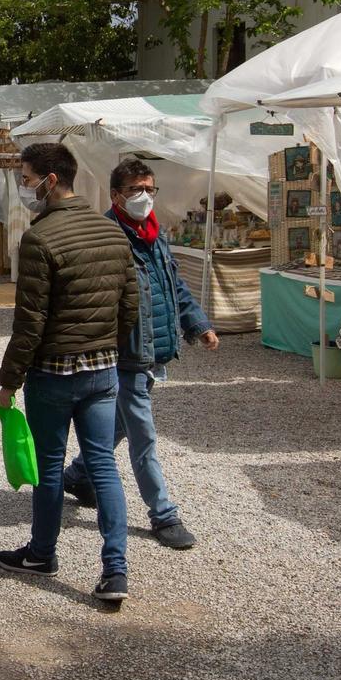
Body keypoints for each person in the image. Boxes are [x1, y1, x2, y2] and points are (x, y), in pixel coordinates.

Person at [0, 142, 145, 605]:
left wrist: (9, 378)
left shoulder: (41, 239)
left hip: (54, 373)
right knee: (103, 465)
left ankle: (42, 552)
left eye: (26, 178)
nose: (24, 187)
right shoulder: (113, 232)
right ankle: (115, 568)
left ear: (50, 181)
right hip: (102, 370)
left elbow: (30, 321)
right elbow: (130, 304)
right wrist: (106, 345)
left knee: (50, 468)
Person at [61, 159, 215, 549]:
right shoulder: (105, 235)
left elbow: (173, 283)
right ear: (116, 195)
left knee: (121, 423)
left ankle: (78, 474)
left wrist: (198, 324)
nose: (144, 197)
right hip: (124, 353)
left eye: (150, 188)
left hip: (152, 351)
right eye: (135, 190)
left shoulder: (154, 234)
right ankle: (164, 515)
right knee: (143, 433)